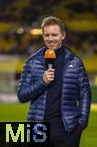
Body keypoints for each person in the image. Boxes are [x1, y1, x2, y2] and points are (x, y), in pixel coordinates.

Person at [17, 16, 91, 147]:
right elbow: (22, 95)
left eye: (54, 35)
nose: (50, 39)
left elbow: (85, 93)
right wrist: (42, 81)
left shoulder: (75, 62)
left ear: (63, 35)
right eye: (47, 35)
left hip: (67, 129)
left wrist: (81, 123)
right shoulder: (32, 62)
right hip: (38, 129)